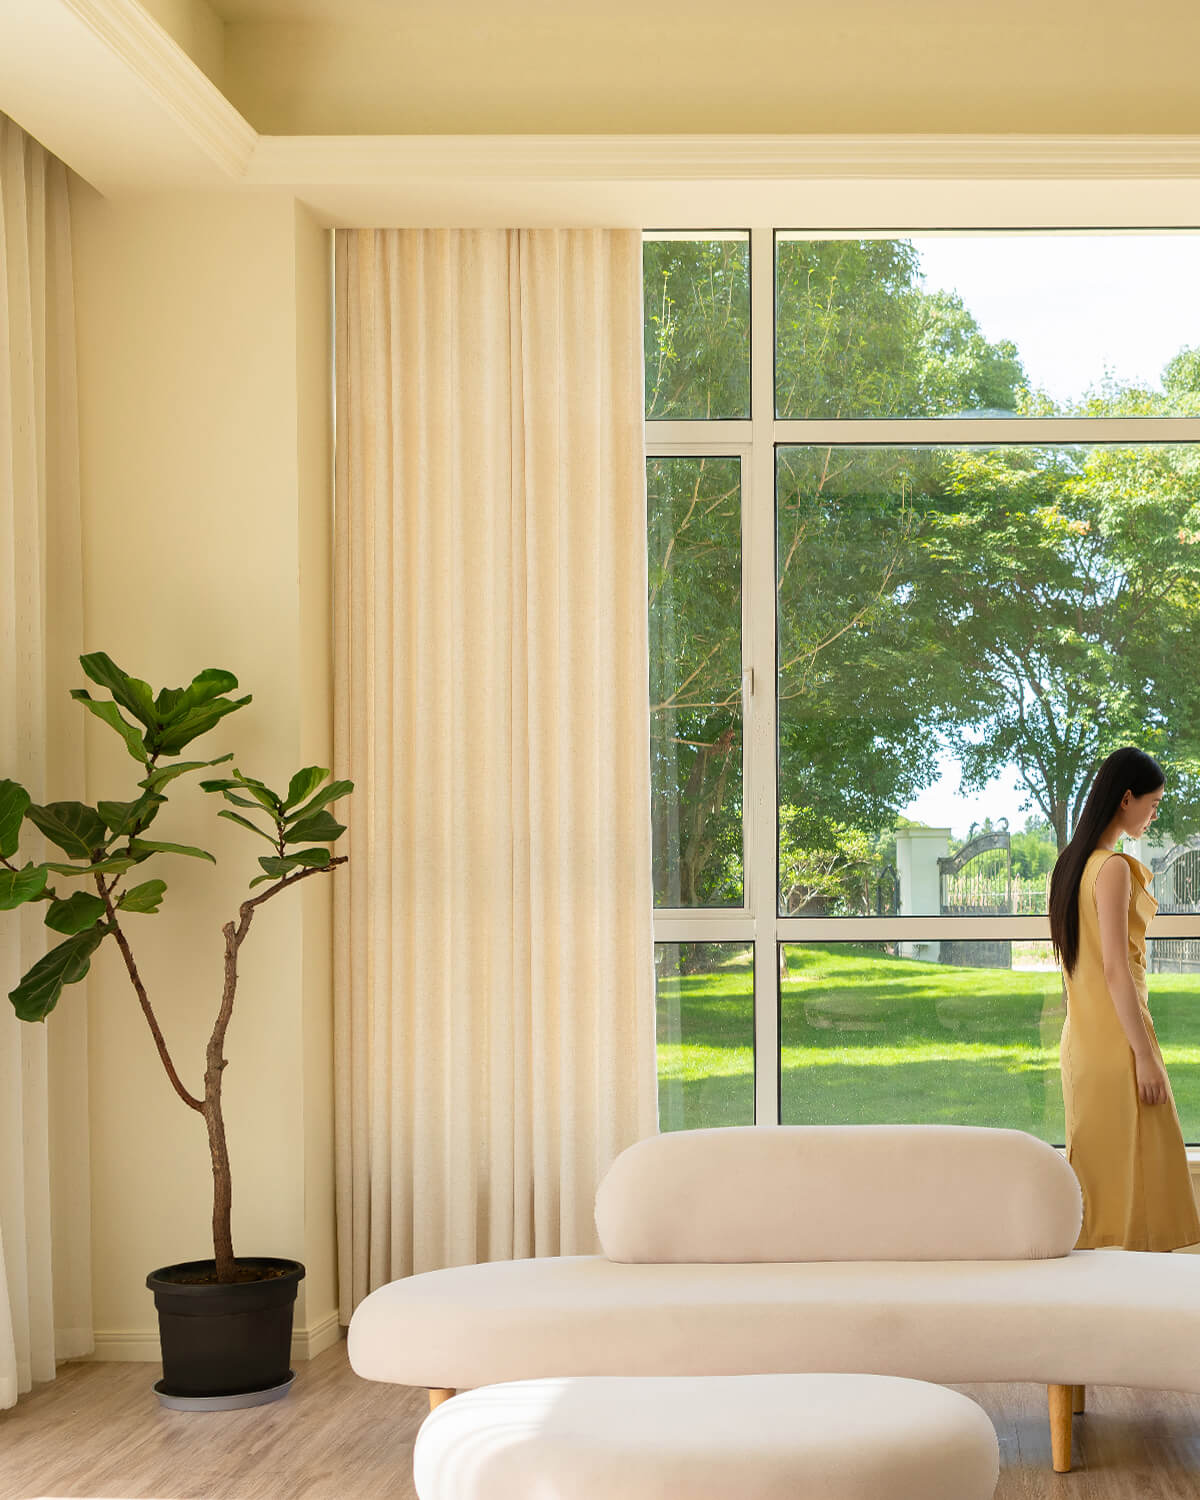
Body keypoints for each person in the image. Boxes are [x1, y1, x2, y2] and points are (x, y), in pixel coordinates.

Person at [1048, 745, 1200, 1251]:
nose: (1154, 814)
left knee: (1099, 1175)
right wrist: (1146, 1057)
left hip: (1083, 1046)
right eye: (1152, 804)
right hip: (1118, 1046)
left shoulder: (1071, 864)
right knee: (1146, 1175)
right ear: (1126, 799)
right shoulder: (1112, 868)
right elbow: (1116, 970)